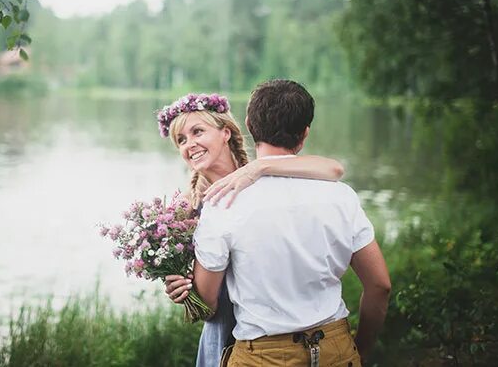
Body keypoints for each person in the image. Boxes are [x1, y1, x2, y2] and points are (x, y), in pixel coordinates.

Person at [190, 80, 391, 366]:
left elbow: (207, 303)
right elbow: (380, 286)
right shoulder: (341, 196)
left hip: (261, 357)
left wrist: (182, 283)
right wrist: (362, 350)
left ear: (248, 124)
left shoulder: (223, 202)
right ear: (305, 133)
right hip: (336, 348)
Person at [156, 92, 345, 367]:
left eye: (198, 131)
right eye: (181, 140)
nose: (190, 145)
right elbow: (203, 299)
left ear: (226, 133)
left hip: (279, 330)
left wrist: (260, 167)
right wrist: (183, 290)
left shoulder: (262, 178)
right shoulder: (185, 210)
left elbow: (334, 169)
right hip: (223, 330)